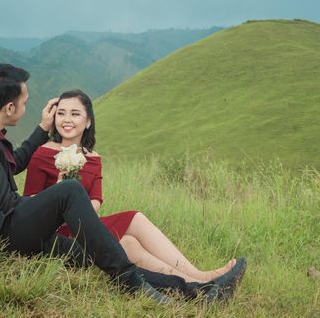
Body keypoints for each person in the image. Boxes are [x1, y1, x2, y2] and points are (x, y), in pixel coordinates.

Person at [0, 63, 176, 303]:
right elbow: (5, 201)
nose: (26, 108)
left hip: (1, 226)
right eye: (24, 103)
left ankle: (192, 288)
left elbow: (12, 164)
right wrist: (56, 203)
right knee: (70, 190)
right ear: (9, 107)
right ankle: (130, 280)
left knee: (95, 254)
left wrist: (42, 128)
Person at [23, 89, 244, 284]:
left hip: (87, 225)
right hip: (56, 234)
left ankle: (197, 278)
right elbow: (30, 204)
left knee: (130, 236)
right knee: (132, 226)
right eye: (61, 113)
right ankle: (200, 281)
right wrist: (60, 193)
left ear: (88, 121)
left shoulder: (93, 158)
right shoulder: (42, 154)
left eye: (75, 113)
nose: (67, 120)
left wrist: (84, 212)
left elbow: (96, 199)